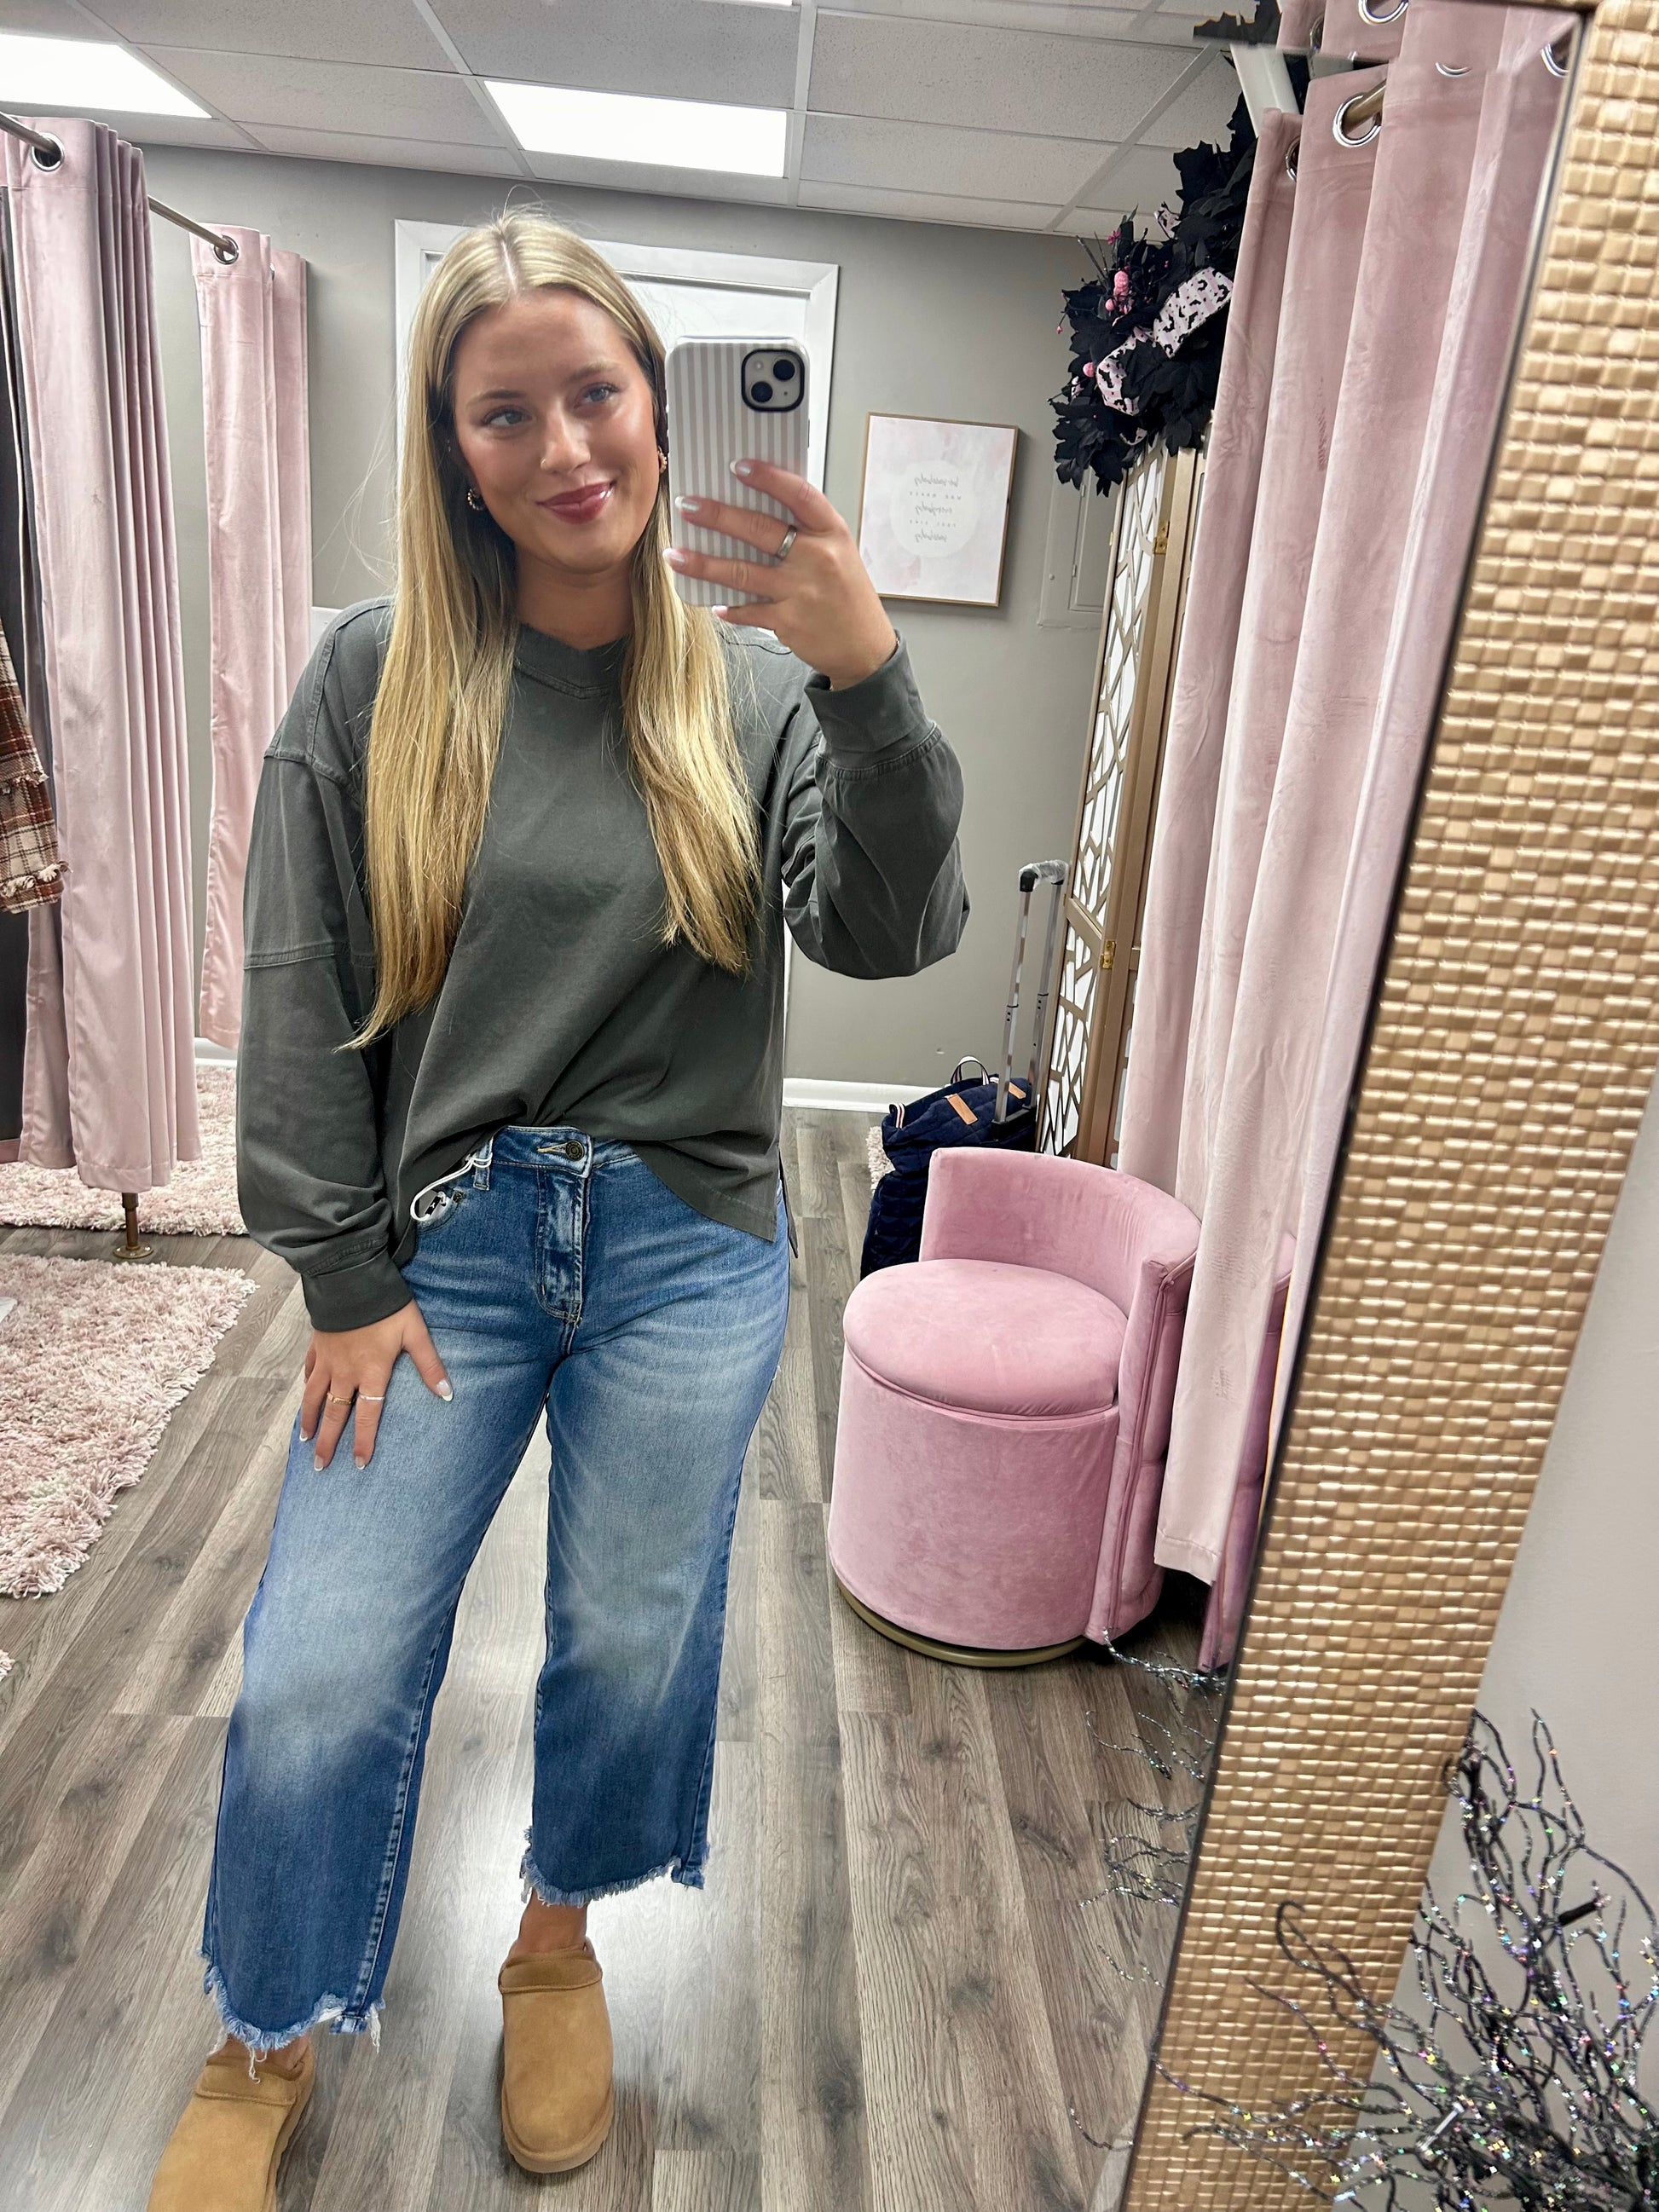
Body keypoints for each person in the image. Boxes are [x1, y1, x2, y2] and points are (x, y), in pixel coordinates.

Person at [146, 211, 967, 2209]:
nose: (563, 445)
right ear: (452, 447)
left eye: (594, 393)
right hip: (445, 1249)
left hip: (687, 1245)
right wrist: (338, 1269)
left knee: (628, 1640)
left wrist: (865, 675)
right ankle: (266, 2027)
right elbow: (294, 981)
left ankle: (553, 1941)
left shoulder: (758, 693)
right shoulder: (373, 677)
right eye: (502, 410)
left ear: (658, 408)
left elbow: (888, 928)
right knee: (321, 1663)